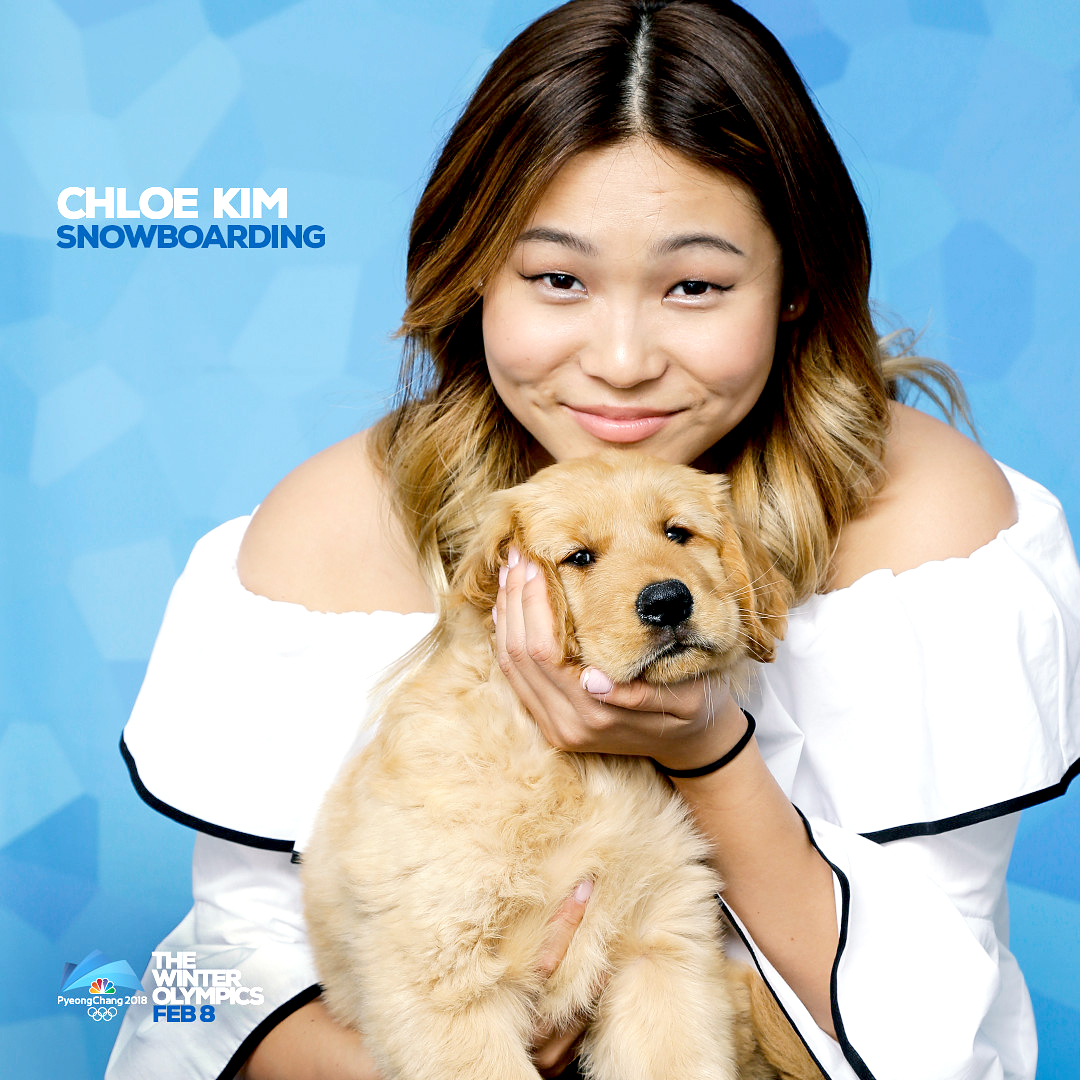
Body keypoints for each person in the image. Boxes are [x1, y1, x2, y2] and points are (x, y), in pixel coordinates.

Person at [106, 2, 1080, 1079]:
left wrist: (705, 753)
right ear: (476, 274)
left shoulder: (922, 517)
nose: (621, 361)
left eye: (695, 286)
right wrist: (472, 1046)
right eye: (558, 279)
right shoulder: (339, 520)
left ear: (796, 284)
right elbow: (219, 978)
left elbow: (931, 1028)